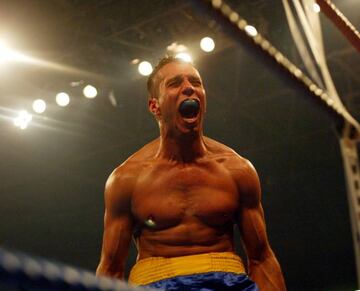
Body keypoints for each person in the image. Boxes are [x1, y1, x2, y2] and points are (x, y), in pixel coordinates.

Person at [96, 56, 286, 290]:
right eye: (175, 83)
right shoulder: (127, 178)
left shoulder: (237, 170)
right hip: (157, 284)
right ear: (154, 106)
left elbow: (261, 258)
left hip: (227, 283)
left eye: (196, 82)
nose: (189, 88)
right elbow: (111, 269)